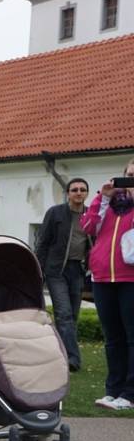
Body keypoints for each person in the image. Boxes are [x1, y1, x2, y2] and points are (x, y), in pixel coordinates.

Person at [81, 158, 134, 411]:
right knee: (113, 338)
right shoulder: (110, 203)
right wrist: (102, 198)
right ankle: (112, 391)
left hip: (130, 278)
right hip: (103, 277)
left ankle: (130, 393)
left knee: (132, 337)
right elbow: (89, 227)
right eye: (130, 174)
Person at [35, 178, 92, 372]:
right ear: (68, 193)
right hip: (56, 270)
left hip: (77, 270)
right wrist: (38, 268)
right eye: (74, 189)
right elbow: (42, 242)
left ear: (86, 194)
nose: (78, 192)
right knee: (64, 314)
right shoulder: (56, 213)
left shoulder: (90, 215)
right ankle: (73, 359)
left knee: (72, 316)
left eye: (82, 190)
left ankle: (60, 353)